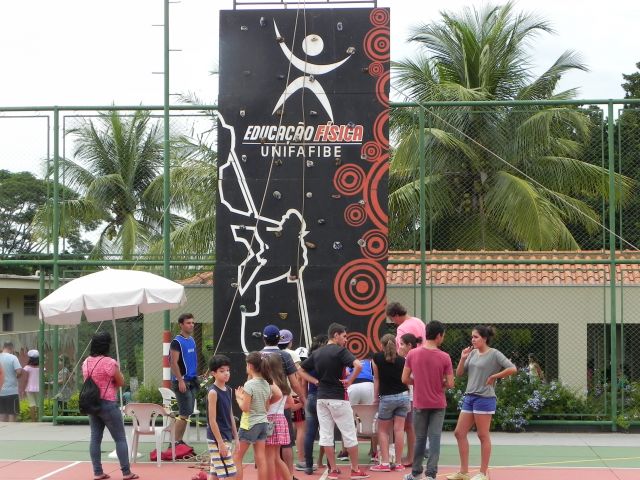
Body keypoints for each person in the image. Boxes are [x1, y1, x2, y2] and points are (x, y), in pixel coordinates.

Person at [299, 323, 369, 480]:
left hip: (321, 398)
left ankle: (333, 470)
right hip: (338, 397)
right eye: (344, 336)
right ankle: (355, 469)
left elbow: (300, 370)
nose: (346, 340)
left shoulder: (317, 353)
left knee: (326, 435)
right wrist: (350, 381)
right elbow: (358, 365)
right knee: (349, 434)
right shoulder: (340, 351)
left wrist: (315, 381)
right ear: (336, 335)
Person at [447, 326, 517, 480]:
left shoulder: (494, 354)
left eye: (476, 337)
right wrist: (463, 358)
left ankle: (483, 473)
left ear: (484, 338)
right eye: (472, 337)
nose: (473, 339)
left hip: (485, 398)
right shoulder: (472, 353)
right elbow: (459, 373)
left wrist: (495, 376)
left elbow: (512, 368)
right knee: (459, 433)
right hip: (469, 397)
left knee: (482, 435)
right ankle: (463, 472)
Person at [402, 321, 454, 480]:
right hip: (438, 404)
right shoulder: (445, 357)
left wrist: (418, 382)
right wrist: (440, 383)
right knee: (435, 439)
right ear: (439, 336)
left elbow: (404, 378)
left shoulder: (412, 354)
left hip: (420, 403)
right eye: (443, 336)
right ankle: (431, 474)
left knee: (420, 439)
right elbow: (450, 383)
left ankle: (416, 473)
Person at [82, 331, 137, 480]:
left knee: (95, 438)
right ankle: (126, 472)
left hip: (92, 403)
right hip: (108, 403)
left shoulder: (86, 362)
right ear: (107, 345)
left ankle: (97, 472)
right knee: (119, 438)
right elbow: (121, 381)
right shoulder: (109, 362)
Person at [261, 325, 306, 475]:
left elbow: (250, 381)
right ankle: (289, 475)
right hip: (281, 405)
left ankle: (268, 475)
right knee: (286, 444)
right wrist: (303, 398)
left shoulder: (257, 355)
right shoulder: (285, 356)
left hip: (262, 406)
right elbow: (294, 383)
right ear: (278, 339)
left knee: (265, 447)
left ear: (264, 339)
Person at [234, 352, 278, 480]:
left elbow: (245, 408)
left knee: (237, 457)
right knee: (260, 457)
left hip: (249, 424)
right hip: (263, 423)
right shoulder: (267, 384)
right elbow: (266, 408)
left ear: (250, 366)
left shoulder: (249, 384)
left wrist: (238, 398)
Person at [370, 334, 410, 472]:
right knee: (399, 430)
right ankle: (398, 463)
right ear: (396, 344)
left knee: (382, 430)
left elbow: (376, 379)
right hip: (403, 396)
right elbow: (406, 379)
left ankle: (385, 463)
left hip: (386, 397)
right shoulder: (402, 360)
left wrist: (375, 398)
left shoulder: (376, 358)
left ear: (381, 345)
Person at [206, 354, 238, 480]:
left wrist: (236, 437)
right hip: (216, 438)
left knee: (214, 474)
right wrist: (220, 442)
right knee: (230, 474)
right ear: (213, 373)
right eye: (222, 371)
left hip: (226, 435)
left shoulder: (229, 390)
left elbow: (230, 414)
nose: (226, 373)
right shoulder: (213, 392)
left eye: (228, 370)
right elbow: (212, 420)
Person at [337, 354, 375, 463]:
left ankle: (345, 452)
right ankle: (374, 452)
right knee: (372, 420)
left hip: (352, 385)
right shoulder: (371, 363)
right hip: (368, 385)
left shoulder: (352, 363)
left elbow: (345, 374)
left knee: (346, 419)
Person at [278, 329, 307, 472]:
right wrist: (302, 395)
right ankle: (301, 460)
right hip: (293, 394)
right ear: (290, 342)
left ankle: (279, 463)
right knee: (300, 427)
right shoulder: (292, 354)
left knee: (283, 429)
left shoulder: (273, 354)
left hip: (277, 396)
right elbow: (298, 374)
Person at [170, 313, 199, 446]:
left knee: (187, 413)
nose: (191, 325)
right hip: (182, 382)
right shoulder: (176, 342)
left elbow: (191, 360)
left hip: (192, 380)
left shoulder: (192, 340)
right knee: (184, 413)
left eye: (192, 322)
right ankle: (174, 443)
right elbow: (173, 363)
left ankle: (179, 441)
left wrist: (197, 375)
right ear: (181, 325)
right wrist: (180, 380)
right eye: (188, 323)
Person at [265, 353, 294, 480]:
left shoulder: (269, 384)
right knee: (276, 457)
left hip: (270, 420)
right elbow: (291, 403)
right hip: (281, 419)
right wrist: (279, 408)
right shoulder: (283, 383)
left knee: (269, 457)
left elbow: (265, 406)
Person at [303, 334, 328, 475]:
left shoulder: (309, 360)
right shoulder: (327, 359)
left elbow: (303, 381)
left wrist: (305, 399)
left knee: (310, 433)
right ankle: (330, 464)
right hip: (325, 396)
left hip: (311, 397)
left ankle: (308, 465)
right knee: (327, 432)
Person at [398, 333, 422, 467]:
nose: (399, 347)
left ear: (409, 345)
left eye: (402, 344)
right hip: (408, 396)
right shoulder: (406, 358)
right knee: (407, 427)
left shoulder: (411, 359)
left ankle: (411, 457)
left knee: (410, 427)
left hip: (411, 396)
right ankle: (408, 455)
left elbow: (410, 378)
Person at [0, 341, 23, 422]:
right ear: (11, 348)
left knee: (2, 415)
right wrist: (16, 376)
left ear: (3, 347)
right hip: (11, 391)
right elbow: (19, 371)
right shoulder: (13, 357)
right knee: (12, 415)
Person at [22, 349, 41, 422]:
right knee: (39, 404)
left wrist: (23, 389)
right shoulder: (41, 367)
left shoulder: (27, 367)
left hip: (29, 387)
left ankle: (33, 420)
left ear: (30, 358)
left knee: (32, 404)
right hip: (39, 388)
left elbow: (25, 379)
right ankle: (40, 419)